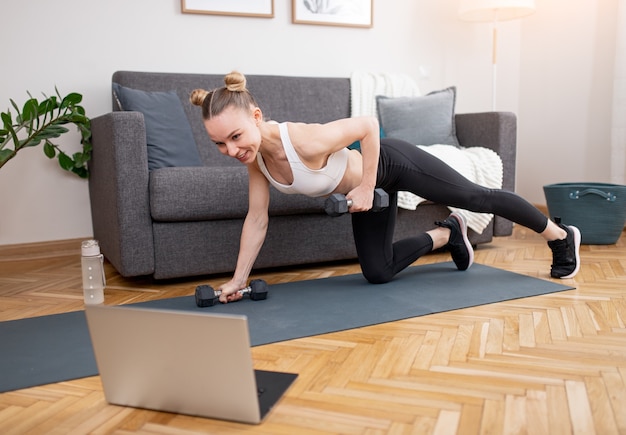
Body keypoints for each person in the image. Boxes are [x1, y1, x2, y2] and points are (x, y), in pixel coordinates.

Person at [190, 71, 581, 303]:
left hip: (392, 163)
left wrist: (364, 187)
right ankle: (447, 234)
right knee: (377, 272)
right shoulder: (256, 158)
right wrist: (239, 278)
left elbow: (368, 126)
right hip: (370, 190)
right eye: (220, 144)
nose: (231, 150)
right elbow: (257, 218)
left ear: (256, 117)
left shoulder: (305, 140)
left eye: (236, 136)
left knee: (473, 196)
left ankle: (560, 235)